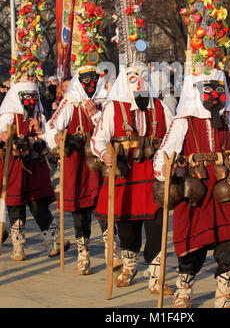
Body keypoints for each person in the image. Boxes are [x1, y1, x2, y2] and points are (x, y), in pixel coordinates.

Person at [153, 68, 230, 308]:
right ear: (196, 92)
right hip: (196, 189)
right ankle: (184, 288)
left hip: (223, 187)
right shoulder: (183, 122)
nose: (215, 96)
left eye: (218, 90)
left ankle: (224, 293)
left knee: (229, 240)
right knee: (192, 242)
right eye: (209, 90)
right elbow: (165, 154)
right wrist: (165, 170)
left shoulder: (228, 121)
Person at [90, 62, 174, 295]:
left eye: (144, 77)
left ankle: (156, 275)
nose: (140, 82)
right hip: (124, 176)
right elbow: (97, 139)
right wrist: (105, 153)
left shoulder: (161, 107)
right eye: (134, 77)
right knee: (126, 227)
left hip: (153, 176)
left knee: (157, 227)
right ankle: (129, 266)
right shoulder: (112, 109)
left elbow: (174, 136)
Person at [42, 65, 110, 275]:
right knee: (80, 210)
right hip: (77, 162)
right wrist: (55, 136)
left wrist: (94, 113)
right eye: (86, 81)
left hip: (98, 161)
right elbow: (52, 126)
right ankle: (83, 253)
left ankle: (111, 248)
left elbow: (107, 128)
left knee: (104, 205)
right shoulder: (69, 103)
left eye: (93, 81)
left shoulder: (105, 103)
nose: (90, 85)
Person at [0, 77, 69, 261]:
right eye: (26, 96)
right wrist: (4, 136)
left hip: (36, 164)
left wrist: (39, 131)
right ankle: (18, 246)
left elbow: (47, 137)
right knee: (16, 204)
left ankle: (53, 242)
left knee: (39, 203)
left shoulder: (39, 115)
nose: (29, 100)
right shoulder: (7, 114)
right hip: (14, 164)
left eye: (32, 95)